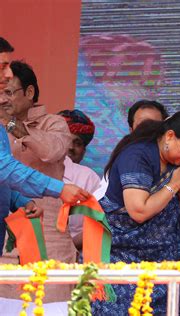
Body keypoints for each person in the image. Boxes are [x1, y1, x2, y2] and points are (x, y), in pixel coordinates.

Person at [92, 109, 180, 315]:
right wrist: (173, 184)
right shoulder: (138, 155)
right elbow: (139, 210)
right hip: (123, 263)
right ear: (170, 136)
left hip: (166, 267)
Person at [0, 60, 79, 303]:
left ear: (30, 92)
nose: (3, 99)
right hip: (6, 241)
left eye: (8, 92)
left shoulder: (54, 123)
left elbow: (51, 151)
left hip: (48, 241)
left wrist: (10, 125)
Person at [94, 99, 169, 200]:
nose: (149, 130)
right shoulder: (128, 158)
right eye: (143, 125)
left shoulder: (176, 158)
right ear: (131, 129)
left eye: (154, 125)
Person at [58, 109, 101, 251]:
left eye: (77, 143)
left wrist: (67, 248)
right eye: (66, 140)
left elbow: (98, 225)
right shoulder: (30, 169)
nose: (70, 147)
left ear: (84, 150)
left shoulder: (88, 178)